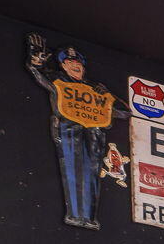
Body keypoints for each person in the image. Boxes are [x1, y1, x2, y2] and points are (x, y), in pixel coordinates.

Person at [25, 37, 121, 229]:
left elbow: (120, 110)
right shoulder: (58, 80)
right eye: (70, 62)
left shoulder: (94, 88)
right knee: (73, 170)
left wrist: (108, 95)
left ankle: (90, 216)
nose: (75, 65)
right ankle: (76, 215)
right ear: (63, 65)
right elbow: (41, 74)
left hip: (94, 132)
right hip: (69, 128)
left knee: (93, 173)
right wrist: (36, 60)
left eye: (78, 62)